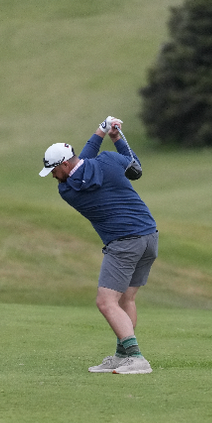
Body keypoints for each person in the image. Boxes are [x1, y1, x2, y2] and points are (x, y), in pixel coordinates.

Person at [39, 116, 158, 375]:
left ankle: (136, 358)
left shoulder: (68, 191)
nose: (53, 177)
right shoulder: (110, 161)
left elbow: (83, 164)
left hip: (124, 242)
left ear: (63, 165)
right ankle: (121, 356)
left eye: (54, 171)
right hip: (149, 236)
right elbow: (133, 166)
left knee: (105, 302)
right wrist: (113, 137)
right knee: (126, 299)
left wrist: (101, 132)